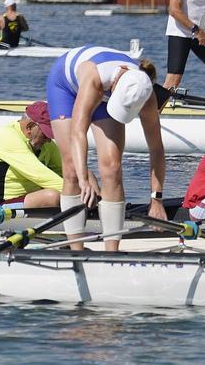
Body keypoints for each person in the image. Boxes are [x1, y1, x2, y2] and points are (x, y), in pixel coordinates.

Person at [47, 45, 167, 251]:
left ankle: (112, 253)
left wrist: (156, 198)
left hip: (109, 90)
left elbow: (156, 148)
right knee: (72, 169)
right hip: (65, 86)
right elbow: (78, 133)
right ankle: (76, 249)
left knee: (112, 166)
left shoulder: (146, 94)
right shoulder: (94, 79)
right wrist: (85, 179)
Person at [0, 101, 62, 208]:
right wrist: (79, 194)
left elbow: (66, 172)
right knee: (52, 196)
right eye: (45, 134)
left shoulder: (47, 144)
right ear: (29, 127)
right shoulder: (6, 136)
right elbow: (39, 174)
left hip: (27, 199)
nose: (48, 140)